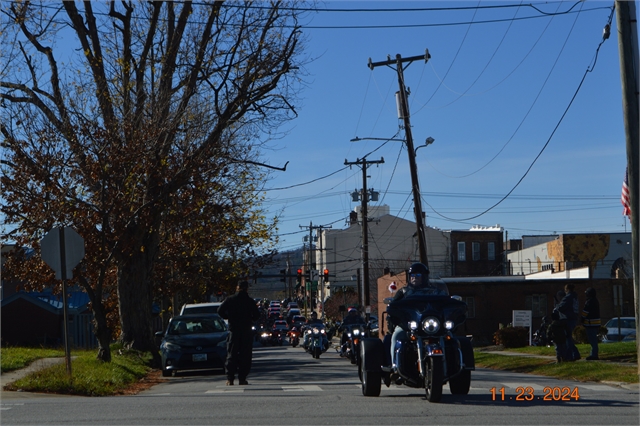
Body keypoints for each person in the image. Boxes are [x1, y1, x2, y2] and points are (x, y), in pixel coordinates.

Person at [389, 262, 448, 367]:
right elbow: (393, 305)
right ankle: (394, 365)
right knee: (396, 336)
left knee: (452, 337)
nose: (414, 278)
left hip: (432, 325)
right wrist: (393, 308)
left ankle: (458, 365)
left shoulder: (434, 292)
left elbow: (446, 301)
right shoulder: (403, 292)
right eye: (412, 276)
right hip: (408, 326)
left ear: (424, 277)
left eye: (418, 275)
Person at [217, 281, 261, 386]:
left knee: (232, 355)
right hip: (246, 331)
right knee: (245, 356)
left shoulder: (230, 300)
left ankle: (230, 379)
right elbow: (257, 315)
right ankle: (242, 378)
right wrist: (250, 319)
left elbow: (219, 311)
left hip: (234, 330)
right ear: (246, 289)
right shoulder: (249, 301)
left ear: (237, 288)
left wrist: (228, 317)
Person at [556, 283, 580, 361]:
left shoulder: (568, 297)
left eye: (565, 290)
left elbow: (561, 307)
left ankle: (571, 356)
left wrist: (557, 306)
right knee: (570, 338)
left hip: (568, 319)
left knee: (568, 338)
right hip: (574, 318)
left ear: (567, 289)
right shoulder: (575, 297)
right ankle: (575, 354)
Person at [581, 287, 600, 360]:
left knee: (592, 339)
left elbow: (585, 312)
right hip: (595, 323)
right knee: (594, 339)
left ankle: (594, 355)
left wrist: (582, 318)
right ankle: (594, 354)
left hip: (590, 323)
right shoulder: (596, 301)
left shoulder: (589, 302)